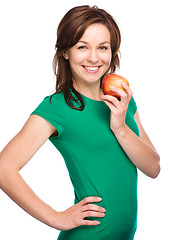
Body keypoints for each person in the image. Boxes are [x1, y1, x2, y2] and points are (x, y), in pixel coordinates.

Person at [0, 5, 160, 240]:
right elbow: (4, 168)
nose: (94, 58)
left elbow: (153, 168)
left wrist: (120, 127)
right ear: (66, 52)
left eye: (102, 47)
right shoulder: (58, 107)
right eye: (82, 47)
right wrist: (56, 217)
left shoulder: (122, 98)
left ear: (112, 52)